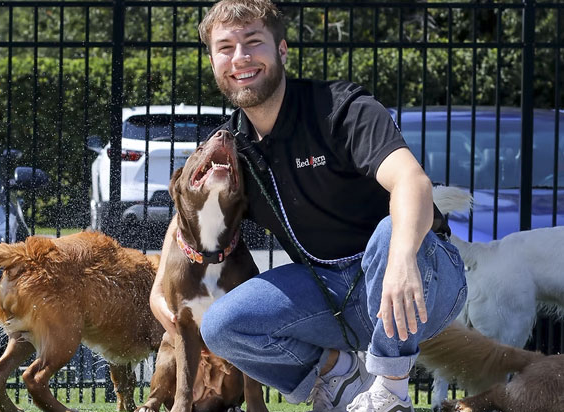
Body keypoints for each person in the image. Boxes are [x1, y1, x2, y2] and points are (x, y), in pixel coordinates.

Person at [149, 1, 467, 411]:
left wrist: (403, 258)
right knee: (223, 325)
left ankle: (390, 392)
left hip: (419, 277)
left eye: (253, 42)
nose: (240, 58)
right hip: (329, 293)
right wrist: (161, 289)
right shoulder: (231, 152)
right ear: (213, 61)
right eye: (225, 47)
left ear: (282, 50)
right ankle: (339, 373)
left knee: (390, 232)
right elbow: (184, 218)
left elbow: (412, 181)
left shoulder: (340, 107)